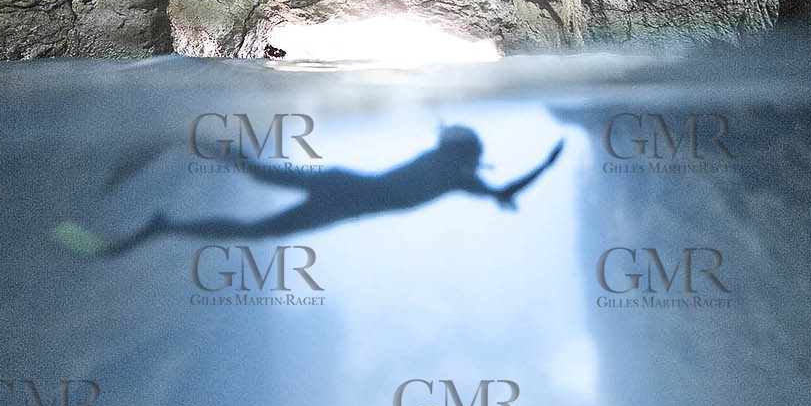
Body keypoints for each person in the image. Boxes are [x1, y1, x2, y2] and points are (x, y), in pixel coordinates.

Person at [52, 126, 564, 258]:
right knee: (258, 212)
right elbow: (504, 190)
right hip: (346, 196)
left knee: (259, 192)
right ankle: (172, 204)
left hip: (343, 191)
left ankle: (183, 171)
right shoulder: (459, 174)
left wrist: (539, 168)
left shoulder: (454, 169)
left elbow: (500, 189)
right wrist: (541, 167)